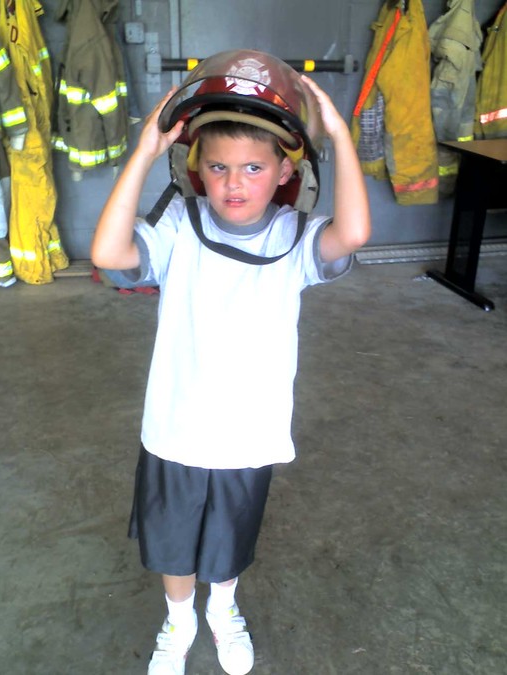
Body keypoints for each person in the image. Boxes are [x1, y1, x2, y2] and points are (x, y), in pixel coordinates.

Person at [91, 50, 371, 675]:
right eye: (217, 167)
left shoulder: (295, 237)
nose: (233, 183)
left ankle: (222, 608)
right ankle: (179, 619)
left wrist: (338, 134)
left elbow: (352, 235)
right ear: (196, 170)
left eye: (253, 167)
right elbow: (109, 253)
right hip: (177, 428)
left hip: (248, 433)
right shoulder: (179, 224)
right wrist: (143, 152)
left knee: (228, 537)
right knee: (173, 540)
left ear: (285, 171)